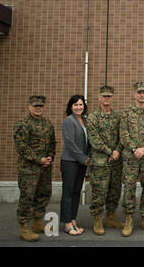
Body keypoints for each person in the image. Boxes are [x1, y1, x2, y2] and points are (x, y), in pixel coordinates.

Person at [13, 95, 56, 242]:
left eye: (41, 106)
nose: (38, 108)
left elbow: (52, 143)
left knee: (44, 194)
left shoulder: (47, 124)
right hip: (29, 169)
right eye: (35, 106)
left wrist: (49, 157)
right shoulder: (23, 124)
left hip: (45, 168)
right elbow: (21, 147)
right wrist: (39, 159)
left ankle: (38, 222)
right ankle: (24, 226)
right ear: (29, 107)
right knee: (27, 197)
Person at [120, 82, 144, 237]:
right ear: (134, 94)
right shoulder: (126, 113)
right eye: (139, 92)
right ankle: (129, 220)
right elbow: (123, 134)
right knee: (129, 188)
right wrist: (135, 149)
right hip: (131, 157)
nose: (141, 95)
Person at [87, 85, 124, 236]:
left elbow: (122, 135)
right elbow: (93, 139)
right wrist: (109, 151)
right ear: (99, 97)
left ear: (112, 98)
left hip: (115, 161)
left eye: (109, 96)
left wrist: (117, 150)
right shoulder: (93, 117)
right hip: (100, 162)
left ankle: (110, 216)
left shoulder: (117, 116)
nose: (106, 98)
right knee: (99, 191)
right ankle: (97, 219)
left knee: (114, 190)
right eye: (104, 96)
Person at [60, 94, 90, 236]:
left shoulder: (85, 120)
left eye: (81, 105)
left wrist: (88, 157)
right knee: (68, 193)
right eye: (75, 105)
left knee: (77, 192)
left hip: (82, 162)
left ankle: (73, 220)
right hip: (70, 162)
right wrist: (83, 158)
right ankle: (66, 224)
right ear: (71, 107)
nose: (79, 107)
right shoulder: (68, 121)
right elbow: (70, 144)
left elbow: (88, 141)